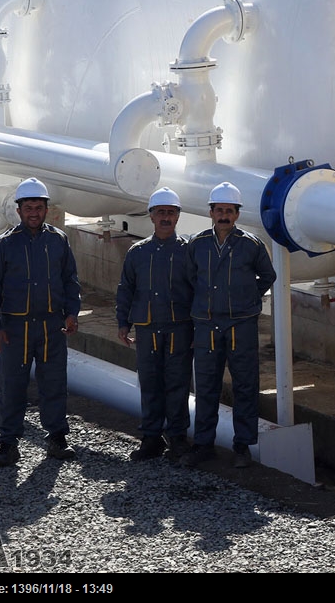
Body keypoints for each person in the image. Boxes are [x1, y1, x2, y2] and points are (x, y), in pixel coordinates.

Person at [0, 177, 81, 466]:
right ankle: (8, 444)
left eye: (39, 207)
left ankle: (57, 439)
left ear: (46, 209)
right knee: (12, 386)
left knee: (54, 383)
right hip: (15, 328)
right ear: (19, 209)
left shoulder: (58, 240)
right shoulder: (5, 244)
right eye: (28, 208)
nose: (34, 213)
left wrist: (72, 312)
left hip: (51, 326)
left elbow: (70, 280)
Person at [182, 181, 276, 469]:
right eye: (219, 210)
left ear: (237, 215)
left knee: (245, 385)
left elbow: (267, 276)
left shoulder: (250, 246)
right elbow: (189, 280)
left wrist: (246, 300)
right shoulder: (197, 245)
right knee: (206, 385)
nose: (224, 215)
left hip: (241, 325)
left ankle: (242, 446)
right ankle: (203, 444)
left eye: (229, 210)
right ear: (210, 212)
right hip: (207, 326)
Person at [115, 187, 194, 462]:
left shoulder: (188, 251)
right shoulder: (138, 252)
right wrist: (123, 323)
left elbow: (198, 290)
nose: (165, 217)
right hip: (147, 329)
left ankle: (178, 438)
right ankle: (151, 438)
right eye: (161, 212)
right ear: (151, 216)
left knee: (177, 383)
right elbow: (126, 288)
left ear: (178, 217)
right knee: (149, 383)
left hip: (178, 328)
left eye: (171, 213)